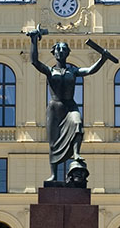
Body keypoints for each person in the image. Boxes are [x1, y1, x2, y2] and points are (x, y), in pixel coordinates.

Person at [27, 29, 111, 182]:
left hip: (69, 106)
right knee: (53, 142)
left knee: (78, 122)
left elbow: (90, 70)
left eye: (64, 49)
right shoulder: (50, 71)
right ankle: (53, 175)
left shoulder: (73, 70)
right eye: (58, 49)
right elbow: (34, 61)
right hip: (54, 109)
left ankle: (76, 153)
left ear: (67, 53)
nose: (60, 51)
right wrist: (34, 40)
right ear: (54, 53)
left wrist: (103, 59)